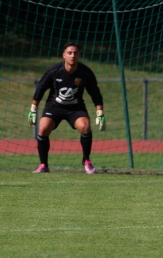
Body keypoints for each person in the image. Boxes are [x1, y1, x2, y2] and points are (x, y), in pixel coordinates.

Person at [28, 42, 106, 174]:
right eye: (69, 53)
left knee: (86, 126)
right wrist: (33, 109)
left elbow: (95, 93)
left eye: (75, 53)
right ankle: (43, 165)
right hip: (54, 107)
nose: (72, 55)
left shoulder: (85, 73)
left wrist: (100, 113)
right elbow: (41, 89)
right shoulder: (54, 71)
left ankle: (86, 160)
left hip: (75, 108)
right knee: (42, 128)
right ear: (63, 55)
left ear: (79, 55)